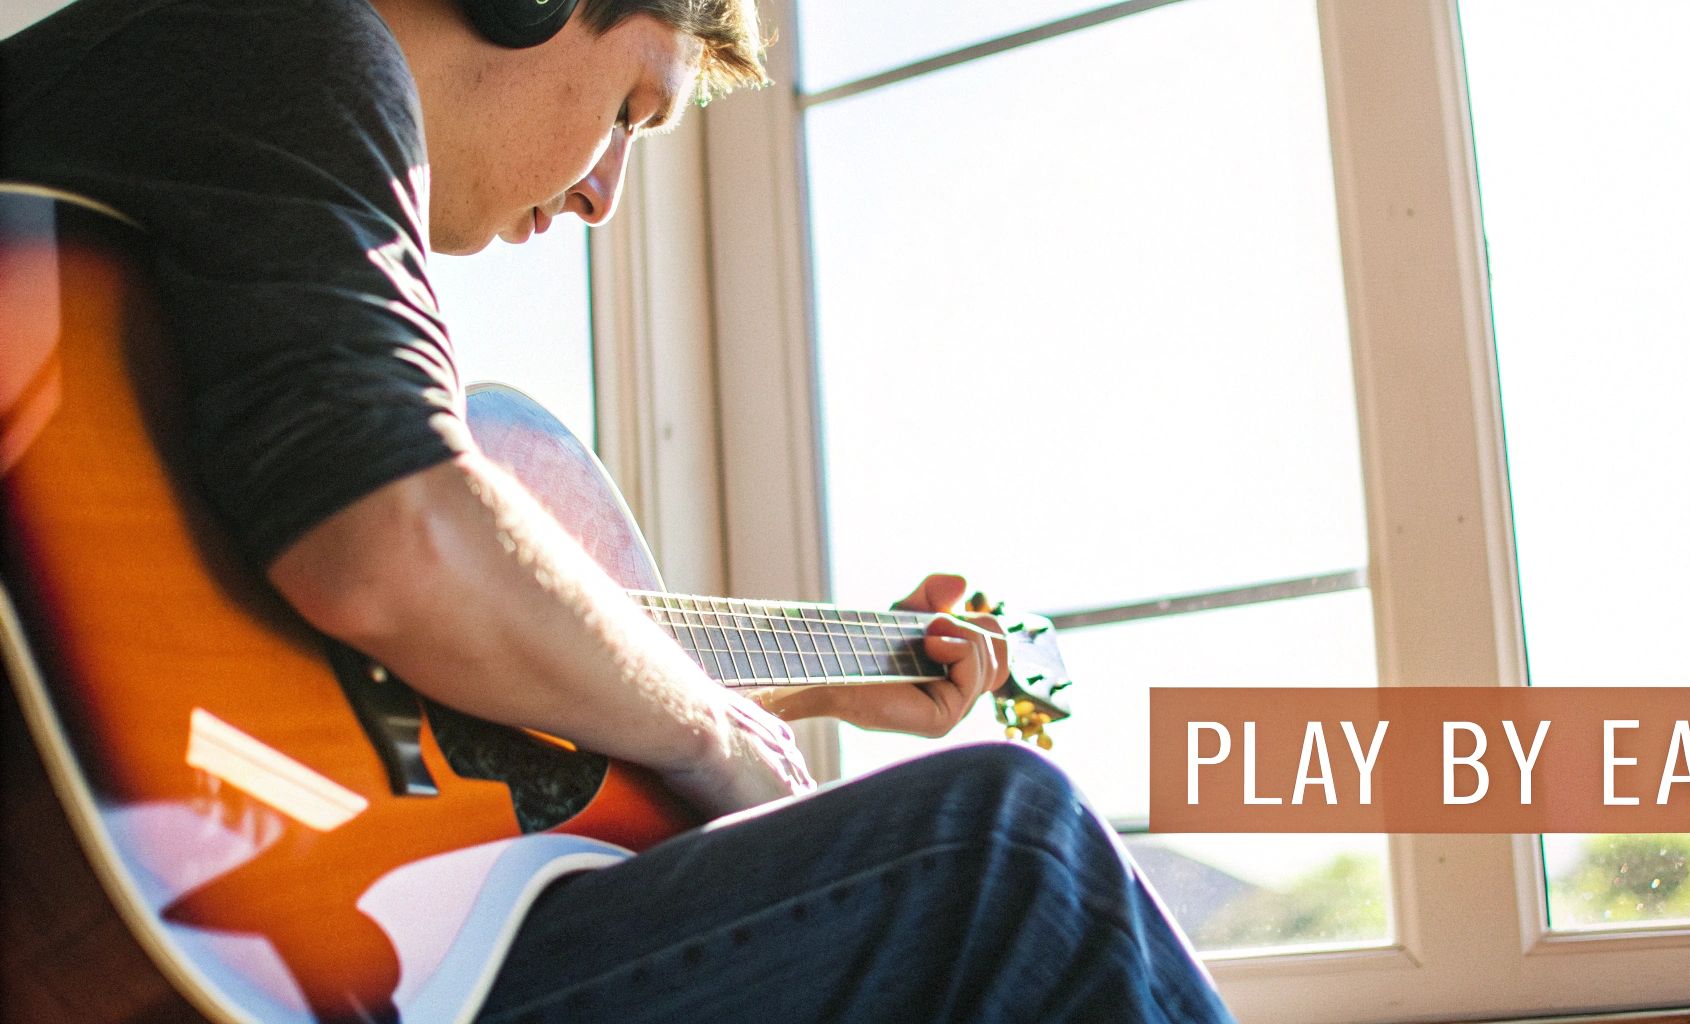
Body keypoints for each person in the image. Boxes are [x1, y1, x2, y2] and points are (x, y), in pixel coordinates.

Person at [0, 0, 1241, 1020]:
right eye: (632, 107)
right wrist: (711, 733)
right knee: (1009, 850)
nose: (604, 194)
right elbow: (390, 543)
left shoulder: (166, 129)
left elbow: (389, 606)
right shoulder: (301, 42)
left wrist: (808, 679)